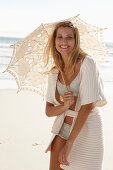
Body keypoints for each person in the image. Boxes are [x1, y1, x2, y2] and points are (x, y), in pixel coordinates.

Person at [45, 21, 107, 170]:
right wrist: (64, 106)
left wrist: (69, 144)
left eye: (69, 37)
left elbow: (87, 106)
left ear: (76, 40)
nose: (64, 41)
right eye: (59, 37)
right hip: (62, 128)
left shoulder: (87, 63)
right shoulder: (54, 72)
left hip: (87, 129)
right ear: (54, 41)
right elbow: (48, 111)